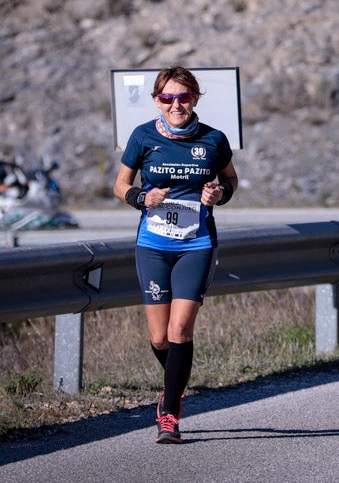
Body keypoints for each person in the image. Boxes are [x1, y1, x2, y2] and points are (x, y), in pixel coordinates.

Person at [113, 65, 238, 445]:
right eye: (167, 97)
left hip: (196, 244)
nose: (176, 104)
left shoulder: (213, 139)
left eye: (183, 97)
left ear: (195, 98)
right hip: (153, 244)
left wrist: (220, 193)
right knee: (159, 338)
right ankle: (176, 382)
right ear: (157, 100)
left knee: (179, 330)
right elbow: (120, 185)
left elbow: (230, 179)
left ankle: (169, 412)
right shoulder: (143, 136)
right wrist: (141, 197)